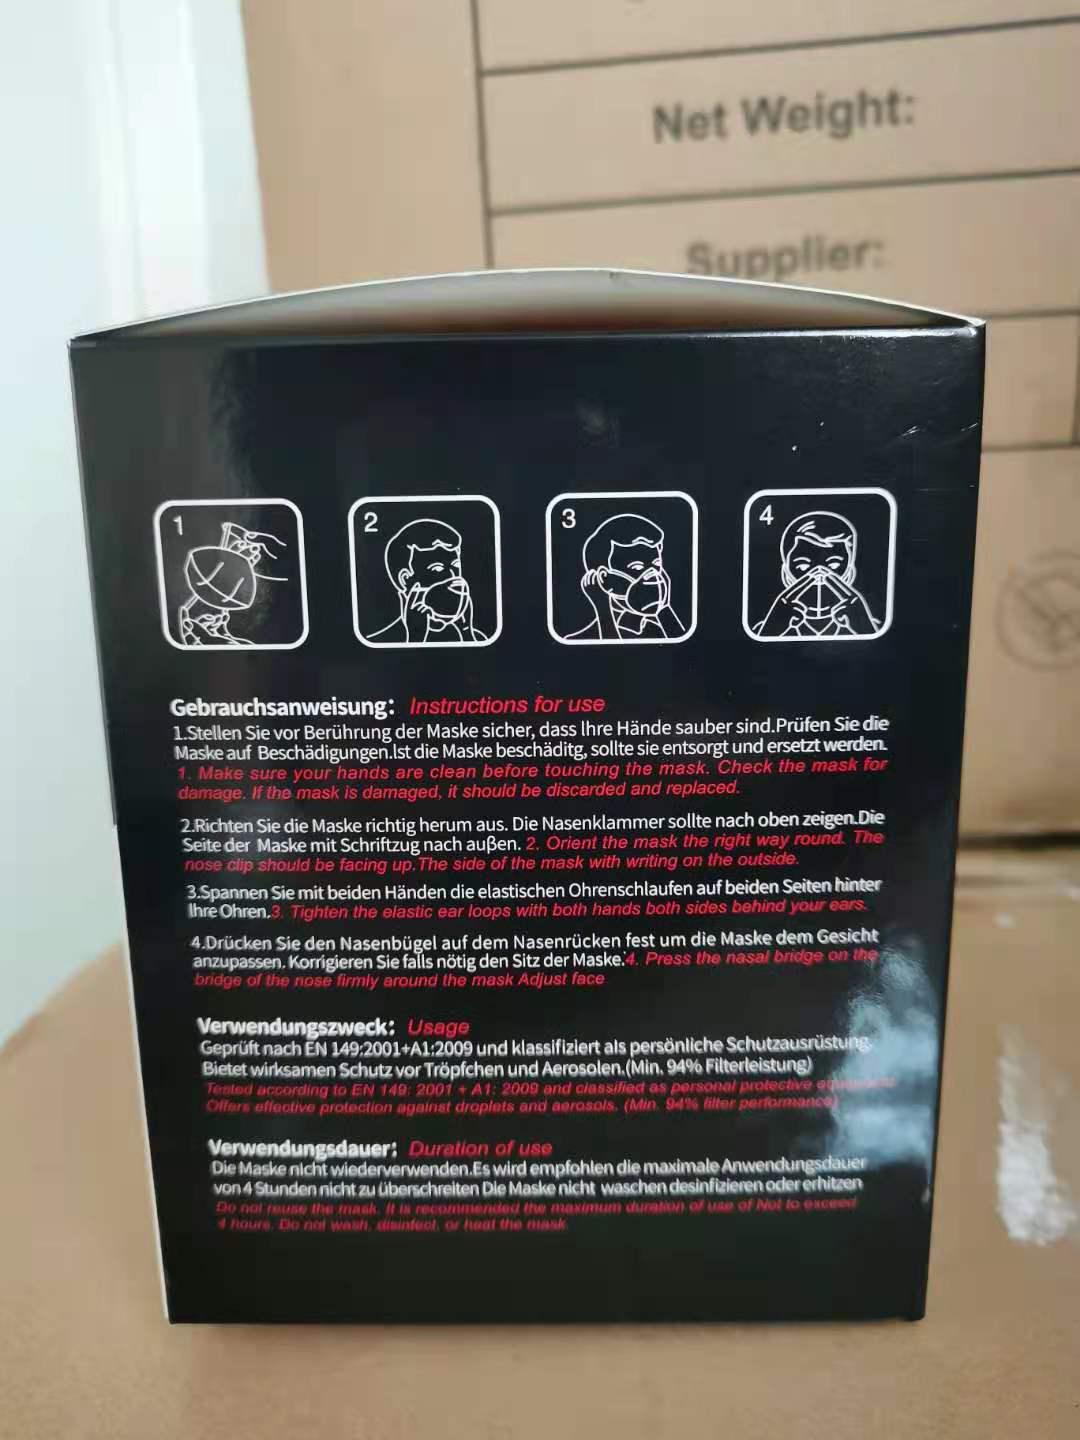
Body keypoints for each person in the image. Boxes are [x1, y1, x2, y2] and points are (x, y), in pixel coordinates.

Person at [754, 511, 880, 638]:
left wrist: (861, 623)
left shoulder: (872, 627)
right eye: (803, 566)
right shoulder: (763, 629)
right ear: (786, 573)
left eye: (833, 565)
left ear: (850, 572)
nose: (819, 575)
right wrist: (772, 628)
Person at [569, 513, 685, 641]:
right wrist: (603, 609)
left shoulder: (660, 630)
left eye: (657, 565)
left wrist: (664, 609)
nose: (653, 576)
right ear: (603, 578)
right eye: (637, 568)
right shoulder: (579, 640)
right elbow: (610, 654)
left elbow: (683, 649)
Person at [371, 518, 487, 643]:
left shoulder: (476, 639)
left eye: (456, 566)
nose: (452, 576)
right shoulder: (380, 642)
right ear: (405, 579)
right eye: (437, 569)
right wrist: (415, 638)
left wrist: (466, 633)